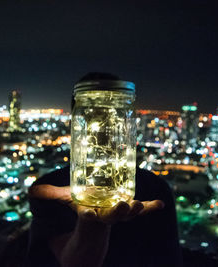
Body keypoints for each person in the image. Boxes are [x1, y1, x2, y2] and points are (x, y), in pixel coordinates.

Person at [26, 73, 182, 267]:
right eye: (94, 115)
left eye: (110, 115)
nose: (103, 127)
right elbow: (69, 261)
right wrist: (93, 225)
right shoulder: (50, 191)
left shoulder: (156, 188)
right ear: (77, 119)